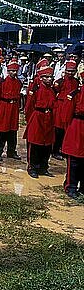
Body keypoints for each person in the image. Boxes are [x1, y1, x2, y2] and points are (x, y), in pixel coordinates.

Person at [24, 65, 56, 178]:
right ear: (41, 78)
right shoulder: (36, 90)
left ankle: (43, 167)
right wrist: (30, 119)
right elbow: (29, 106)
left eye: (50, 77)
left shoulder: (53, 90)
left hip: (49, 118)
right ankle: (32, 167)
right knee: (35, 143)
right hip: (37, 117)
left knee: (47, 144)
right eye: (46, 77)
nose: (49, 79)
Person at [0, 59, 22, 160]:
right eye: (12, 70)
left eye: (15, 71)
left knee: (13, 131)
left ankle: (11, 151)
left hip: (14, 108)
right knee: (2, 130)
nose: (14, 72)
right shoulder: (2, 82)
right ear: (8, 71)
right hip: (4, 106)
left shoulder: (18, 82)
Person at [61, 71, 84, 199]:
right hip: (77, 126)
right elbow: (66, 116)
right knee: (74, 160)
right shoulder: (75, 94)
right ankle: (70, 186)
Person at [52, 60, 79, 160]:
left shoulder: (76, 82)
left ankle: (63, 149)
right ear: (65, 70)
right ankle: (55, 150)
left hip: (70, 108)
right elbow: (53, 93)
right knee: (58, 130)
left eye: (73, 71)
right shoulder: (60, 82)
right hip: (60, 107)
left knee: (67, 130)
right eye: (68, 70)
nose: (70, 73)